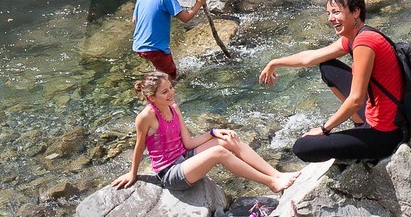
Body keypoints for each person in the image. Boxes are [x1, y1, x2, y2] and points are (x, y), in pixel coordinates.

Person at [257, 0, 409, 164]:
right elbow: (311, 57)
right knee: (327, 66)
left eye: (336, 12)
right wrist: (275, 62)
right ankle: (360, 123)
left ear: (355, 12)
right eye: (328, 13)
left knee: (302, 147)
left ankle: (364, 133)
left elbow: (356, 99)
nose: (330, 18)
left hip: (386, 133)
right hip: (380, 114)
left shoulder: (365, 43)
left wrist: (324, 129)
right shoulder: (356, 36)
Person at [111, 72, 297, 194]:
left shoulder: (173, 108)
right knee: (219, 153)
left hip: (185, 157)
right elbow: (140, 145)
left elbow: (189, 143)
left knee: (227, 140)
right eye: (164, 92)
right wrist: (132, 173)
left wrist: (214, 132)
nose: (171, 93)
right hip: (170, 173)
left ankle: (277, 175)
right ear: (151, 97)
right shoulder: (146, 116)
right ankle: (271, 183)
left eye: (171, 88)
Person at [131, 0, 202, 78]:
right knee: (172, 76)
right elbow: (185, 18)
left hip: (138, 46)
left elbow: (134, 20)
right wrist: (198, 4)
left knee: (160, 71)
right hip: (154, 49)